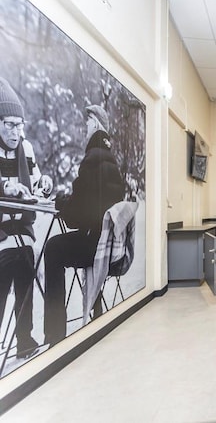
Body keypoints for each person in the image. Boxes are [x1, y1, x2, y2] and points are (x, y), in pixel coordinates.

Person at [43, 104, 125, 347]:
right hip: (108, 246)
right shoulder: (111, 160)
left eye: (88, 123)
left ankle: (55, 335)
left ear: (97, 125)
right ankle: (96, 312)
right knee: (68, 243)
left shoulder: (92, 159)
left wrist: (61, 202)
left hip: (94, 247)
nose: (84, 128)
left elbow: (78, 215)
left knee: (53, 248)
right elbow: (96, 206)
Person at [0, 77, 52, 359]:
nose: (16, 132)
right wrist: (5, 187)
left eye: (20, 125)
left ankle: (24, 339)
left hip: (20, 230)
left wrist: (43, 182)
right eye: (9, 124)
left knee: (26, 259)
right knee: (7, 262)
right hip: (0, 234)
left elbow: (34, 182)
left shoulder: (26, 149)